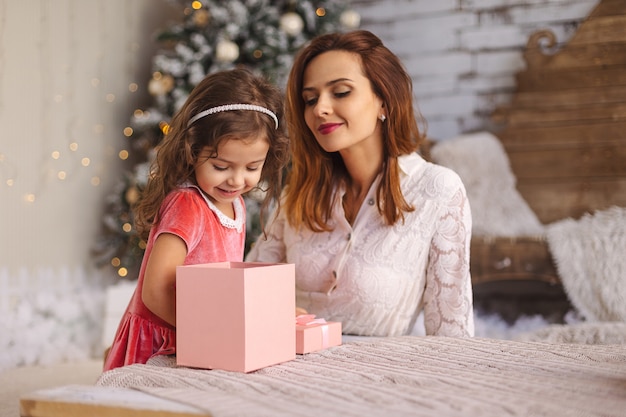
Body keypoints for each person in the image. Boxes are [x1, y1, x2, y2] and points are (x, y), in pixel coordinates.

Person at [246, 30, 474, 337]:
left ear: (384, 101)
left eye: (340, 92)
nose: (319, 109)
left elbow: (452, 333)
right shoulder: (298, 194)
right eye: (310, 99)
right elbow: (246, 290)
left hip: (380, 380)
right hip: (284, 368)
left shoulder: (438, 190)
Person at [103, 68, 290, 371]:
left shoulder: (237, 204)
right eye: (221, 166)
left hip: (204, 334)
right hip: (164, 337)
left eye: (252, 167)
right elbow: (155, 291)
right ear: (192, 151)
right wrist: (208, 329)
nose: (237, 180)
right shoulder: (188, 205)